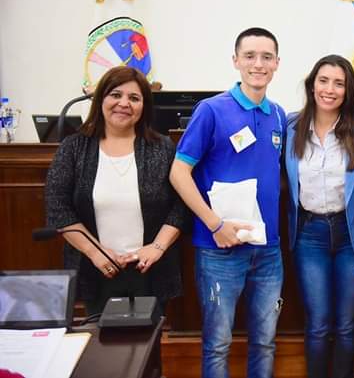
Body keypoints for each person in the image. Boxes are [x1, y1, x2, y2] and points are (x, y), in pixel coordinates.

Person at [169, 27, 286, 378]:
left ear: (277, 64)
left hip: (267, 251)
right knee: (218, 344)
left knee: (265, 342)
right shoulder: (211, 111)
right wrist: (215, 225)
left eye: (267, 57)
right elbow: (178, 173)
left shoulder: (278, 115)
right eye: (249, 56)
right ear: (235, 61)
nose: (258, 64)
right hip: (218, 249)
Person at [45, 66, 187, 316]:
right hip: (96, 268)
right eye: (115, 95)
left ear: (144, 106)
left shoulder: (162, 148)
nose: (124, 103)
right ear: (101, 99)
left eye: (134, 98)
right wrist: (94, 251)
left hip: (149, 269)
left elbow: (180, 205)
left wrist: (157, 247)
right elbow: (58, 208)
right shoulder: (74, 147)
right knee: (101, 349)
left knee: (147, 347)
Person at [285, 55, 354, 378]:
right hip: (310, 233)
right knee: (318, 323)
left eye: (339, 83)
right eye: (324, 81)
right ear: (312, 85)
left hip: (350, 233)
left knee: (347, 324)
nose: (330, 89)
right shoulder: (291, 126)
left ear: (348, 90)